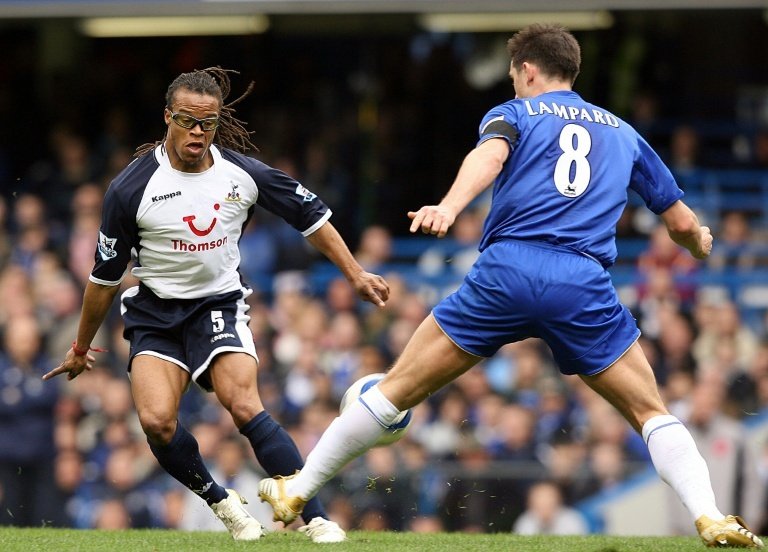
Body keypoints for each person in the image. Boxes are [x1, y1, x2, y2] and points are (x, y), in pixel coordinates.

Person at [257, 25, 764, 548]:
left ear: (527, 70)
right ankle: (709, 517)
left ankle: (298, 490)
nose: (513, 84)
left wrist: (450, 206)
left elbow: (490, 156)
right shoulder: (623, 132)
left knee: (395, 390)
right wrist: (701, 243)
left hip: (508, 271)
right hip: (581, 281)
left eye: (513, 76)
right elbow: (680, 223)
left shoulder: (515, 113)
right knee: (650, 412)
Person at [42, 66, 390, 543]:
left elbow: (311, 215)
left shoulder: (241, 174)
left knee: (245, 404)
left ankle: (316, 517)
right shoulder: (130, 188)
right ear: (168, 117)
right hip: (155, 313)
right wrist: (81, 346)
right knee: (157, 423)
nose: (198, 132)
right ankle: (221, 502)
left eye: (208, 122)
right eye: (187, 120)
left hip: (217, 306)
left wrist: (355, 273)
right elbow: (103, 280)